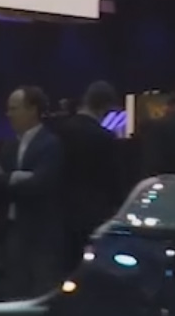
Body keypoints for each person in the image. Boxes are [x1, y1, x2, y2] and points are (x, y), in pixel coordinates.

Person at [0, 85, 65, 300]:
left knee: (41, 289)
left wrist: (6, 179)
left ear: (32, 110)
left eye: (14, 109)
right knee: (14, 289)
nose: (8, 114)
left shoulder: (50, 144)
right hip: (13, 229)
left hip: (41, 232)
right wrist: (17, 177)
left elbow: (39, 184)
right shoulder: (9, 146)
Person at [52, 80, 128, 261]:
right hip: (95, 215)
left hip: (60, 214)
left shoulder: (59, 131)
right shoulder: (104, 138)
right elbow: (114, 181)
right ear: (106, 107)